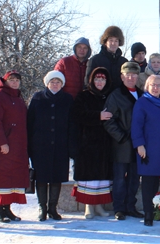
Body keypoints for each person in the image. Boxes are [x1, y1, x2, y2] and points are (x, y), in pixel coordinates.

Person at [131, 75, 160, 226]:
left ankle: (156, 210)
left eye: (159, 85)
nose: (156, 87)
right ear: (147, 86)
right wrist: (139, 145)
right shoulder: (142, 102)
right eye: (153, 85)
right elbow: (136, 125)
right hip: (147, 149)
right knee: (148, 182)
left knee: (157, 182)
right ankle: (148, 215)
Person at [27, 70, 74, 221]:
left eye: (58, 82)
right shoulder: (37, 98)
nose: (55, 84)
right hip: (40, 146)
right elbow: (30, 122)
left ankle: (53, 208)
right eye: (52, 82)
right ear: (47, 83)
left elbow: (72, 124)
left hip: (61, 145)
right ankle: (42, 208)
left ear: (62, 84)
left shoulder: (67, 99)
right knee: (41, 178)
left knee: (56, 178)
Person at [103, 62, 145, 221]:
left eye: (134, 74)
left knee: (134, 178)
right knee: (120, 179)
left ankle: (130, 206)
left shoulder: (141, 94)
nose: (131, 77)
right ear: (122, 76)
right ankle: (119, 208)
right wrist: (122, 137)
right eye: (128, 75)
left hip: (138, 145)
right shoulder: (115, 95)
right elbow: (109, 121)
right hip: (121, 145)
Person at [0, 70, 29, 223]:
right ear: (5, 81)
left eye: (17, 79)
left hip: (18, 145)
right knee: (2, 177)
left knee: (13, 178)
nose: (15, 82)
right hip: (3, 145)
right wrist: (2, 142)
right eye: (11, 79)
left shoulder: (18, 97)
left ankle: (7, 209)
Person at [71, 67, 113, 219]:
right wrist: (98, 116)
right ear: (91, 80)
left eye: (102, 79)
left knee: (102, 177)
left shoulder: (109, 96)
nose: (100, 82)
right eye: (97, 79)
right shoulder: (83, 96)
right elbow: (77, 115)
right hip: (87, 143)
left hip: (105, 142)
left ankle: (99, 206)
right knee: (90, 177)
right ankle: (89, 207)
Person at [85, 25, 127, 90]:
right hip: (99, 98)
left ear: (119, 43)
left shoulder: (124, 62)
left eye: (116, 41)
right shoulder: (95, 60)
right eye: (111, 40)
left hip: (118, 98)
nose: (113, 43)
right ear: (105, 42)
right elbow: (88, 83)